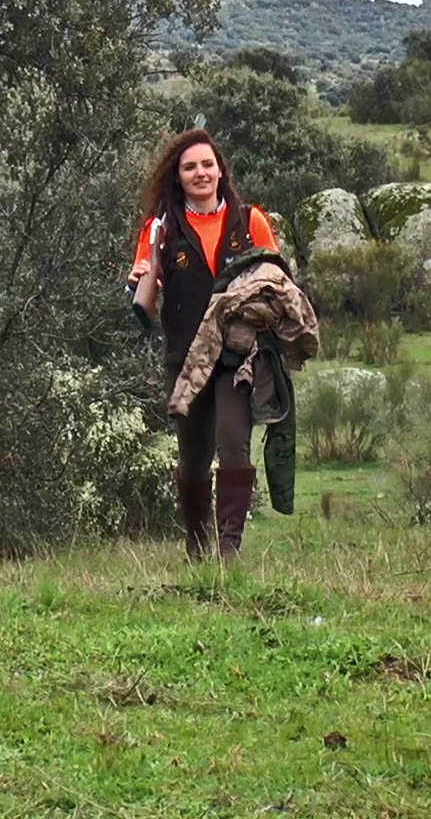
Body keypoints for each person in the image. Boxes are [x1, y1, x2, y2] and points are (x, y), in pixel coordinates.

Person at [127, 129, 282, 561]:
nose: (201, 173)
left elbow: (277, 281)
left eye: (208, 165)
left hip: (237, 356)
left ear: (220, 170)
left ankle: (229, 551)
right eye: (190, 167)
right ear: (177, 177)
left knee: (234, 445)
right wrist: (143, 278)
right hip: (185, 356)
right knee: (193, 460)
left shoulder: (250, 220)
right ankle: (197, 550)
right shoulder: (160, 228)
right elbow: (143, 274)